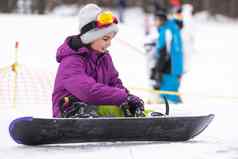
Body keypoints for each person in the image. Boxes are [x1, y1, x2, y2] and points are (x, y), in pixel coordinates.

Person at [52, 4, 144, 118]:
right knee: (88, 110)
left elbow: (114, 82)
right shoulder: (71, 60)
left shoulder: (104, 58)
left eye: (111, 39)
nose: (109, 43)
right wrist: (122, 97)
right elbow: (87, 91)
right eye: (105, 39)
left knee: (126, 110)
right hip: (69, 111)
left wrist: (128, 99)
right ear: (90, 37)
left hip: (97, 109)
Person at [151, 9, 184, 103]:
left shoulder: (165, 31)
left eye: (156, 20)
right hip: (176, 66)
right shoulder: (173, 27)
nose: (155, 22)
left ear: (161, 20)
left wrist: (157, 69)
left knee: (167, 95)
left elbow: (164, 52)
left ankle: (178, 114)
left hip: (169, 67)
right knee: (173, 91)